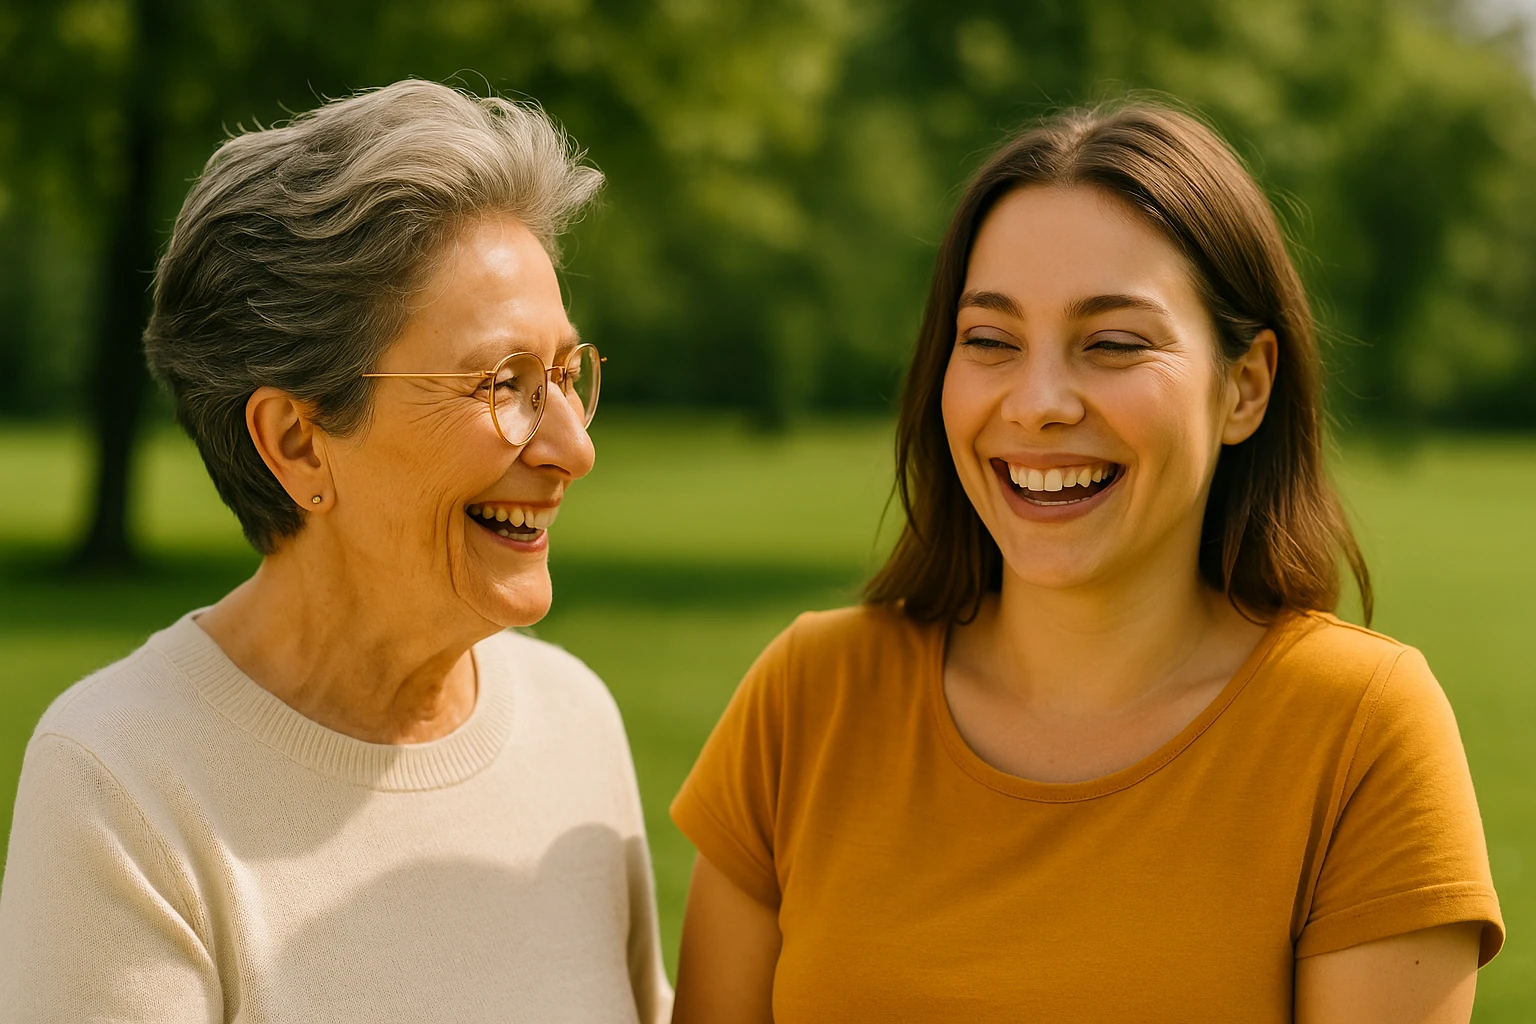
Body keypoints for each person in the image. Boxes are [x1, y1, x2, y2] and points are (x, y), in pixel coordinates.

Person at [669, 102, 1503, 1023]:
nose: (1039, 403)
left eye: (1112, 344)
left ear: (1246, 388)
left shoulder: (1360, 732)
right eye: (990, 340)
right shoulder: (807, 700)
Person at [0, 80, 669, 1023]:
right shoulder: (121, 784)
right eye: (502, 382)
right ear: (298, 442)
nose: (573, 447)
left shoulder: (574, 724)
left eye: (564, 375)